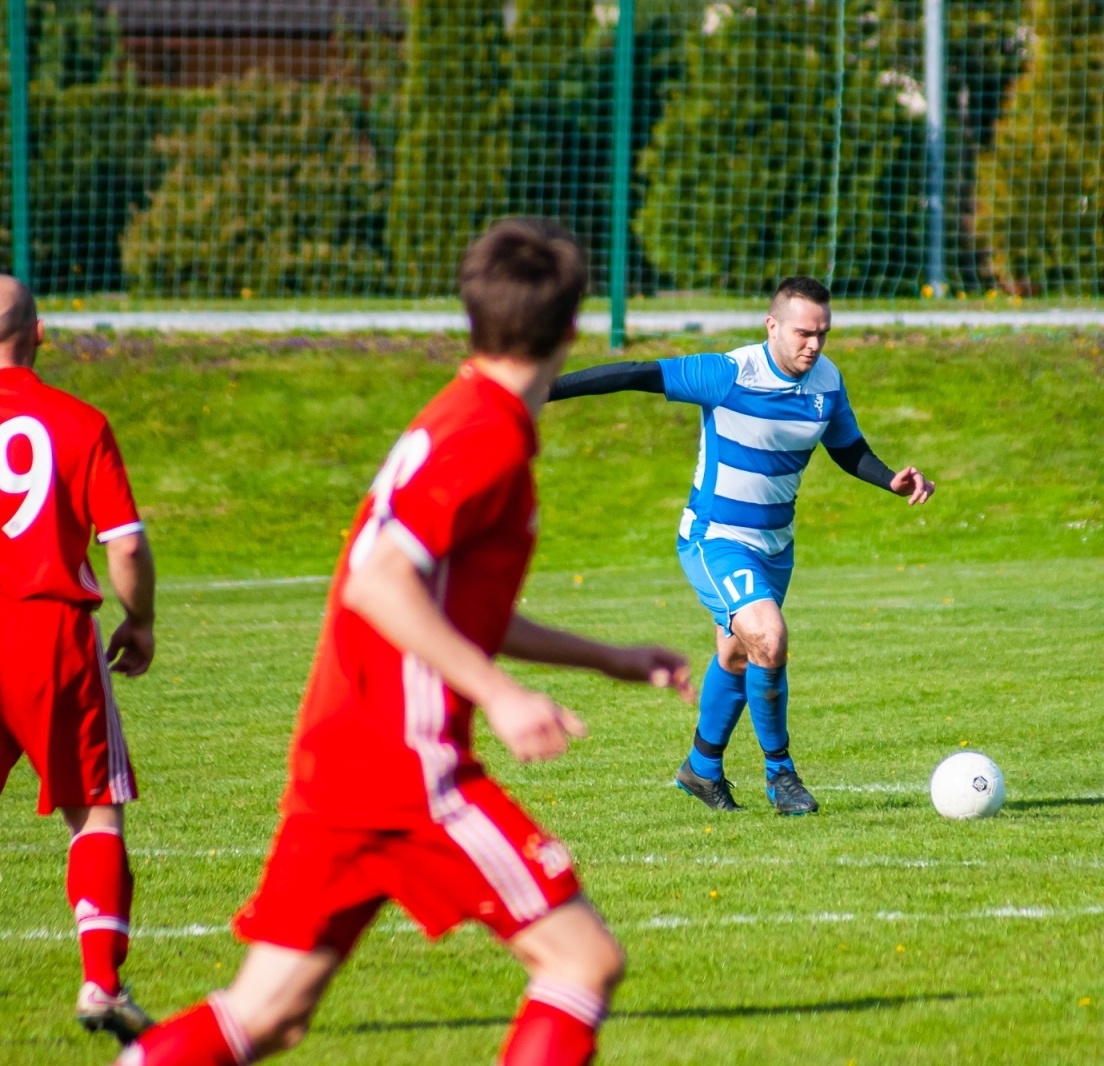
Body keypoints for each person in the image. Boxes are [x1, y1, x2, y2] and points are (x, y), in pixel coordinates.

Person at [115, 219, 693, 1066]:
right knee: (582, 961)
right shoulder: (486, 435)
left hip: (343, 754)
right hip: (408, 764)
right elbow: (379, 582)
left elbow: (447, 606)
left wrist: (608, 657)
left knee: (266, 1014)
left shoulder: (462, 413)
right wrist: (499, 694)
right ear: (574, 328)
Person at [548, 276, 935, 816]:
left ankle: (701, 769)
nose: (814, 345)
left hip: (776, 546)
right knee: (768, 638)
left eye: (823, 334)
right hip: (716, 539)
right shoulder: (729, 373)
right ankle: (782, 776)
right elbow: (636, 375)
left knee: (736, 652)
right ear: (772, 326)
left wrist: (890, 478)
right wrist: (546, 389)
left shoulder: (827, 381)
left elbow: (847, 447)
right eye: (804, 333)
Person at [0, 275, 157, 1043]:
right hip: (51, 634)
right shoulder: (79, 421)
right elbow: (127, 544)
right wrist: (140, 621)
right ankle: (101, 986)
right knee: (94, 812)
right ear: (41, 333)